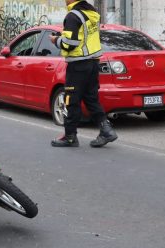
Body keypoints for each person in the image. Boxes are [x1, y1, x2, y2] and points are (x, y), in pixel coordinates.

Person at [49, 0, 117, 148]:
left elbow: (69, 43)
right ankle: (106, 130)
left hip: (78, 65)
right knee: (91, 99)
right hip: (93, 63)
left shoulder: (73, 15)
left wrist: (56, 40)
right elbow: (82, 37)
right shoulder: (91, 13)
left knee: (71, 100)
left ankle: (70, 137)